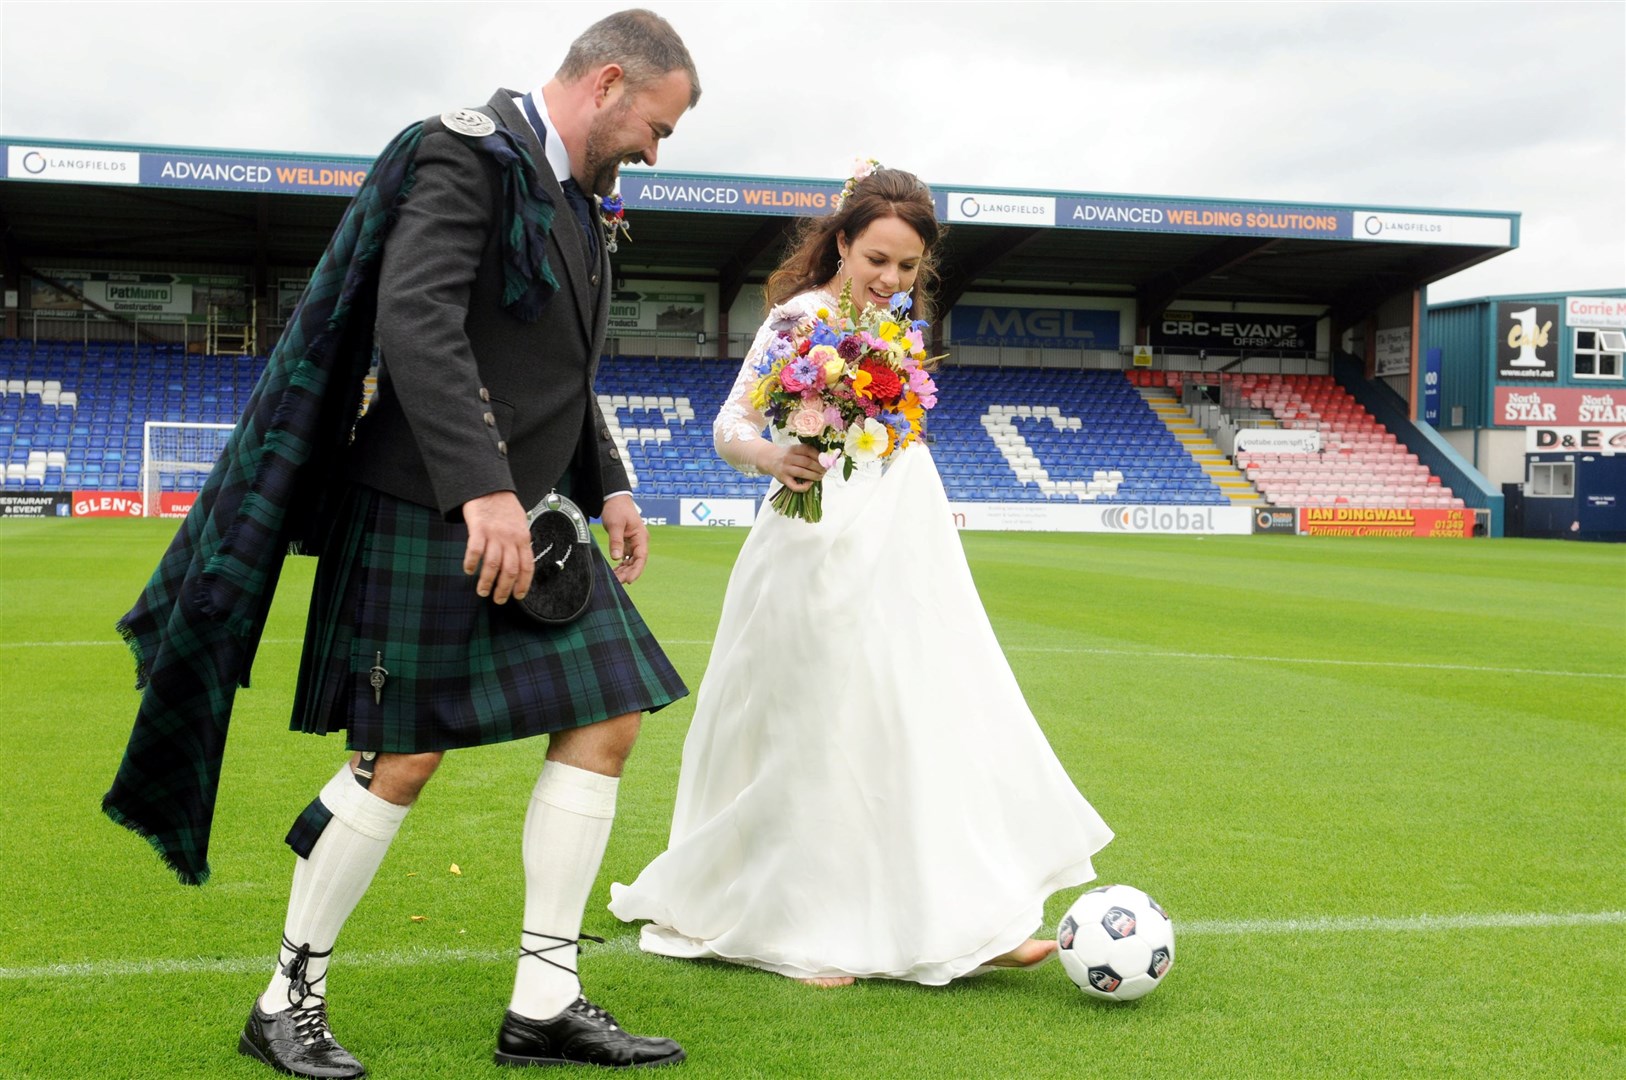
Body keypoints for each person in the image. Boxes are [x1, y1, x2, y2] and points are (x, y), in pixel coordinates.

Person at [230, 11, 700, 1076]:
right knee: (400, 757)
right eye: (654, 127)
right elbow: (418, 317)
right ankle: (284, 1000)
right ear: (608, 81)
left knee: (608, 717)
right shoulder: (463, 152)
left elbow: (565, 370)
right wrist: (481, 486)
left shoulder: (584, 201)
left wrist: (611, 484)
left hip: (533, 518)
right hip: (423, 505)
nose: (654, 152)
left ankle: (545, 1003)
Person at [608, 167, 1114, 987]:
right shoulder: (799, 319)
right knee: (816, 729)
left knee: (917, 717)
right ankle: (799, 928)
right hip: (814, 546)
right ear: (841, 243)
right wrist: (777, 452)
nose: (890, 280)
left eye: (908, 268)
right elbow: (730, 425)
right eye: (877, 258)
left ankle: (963, 921)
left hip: (903, 539)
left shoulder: (902, 329)